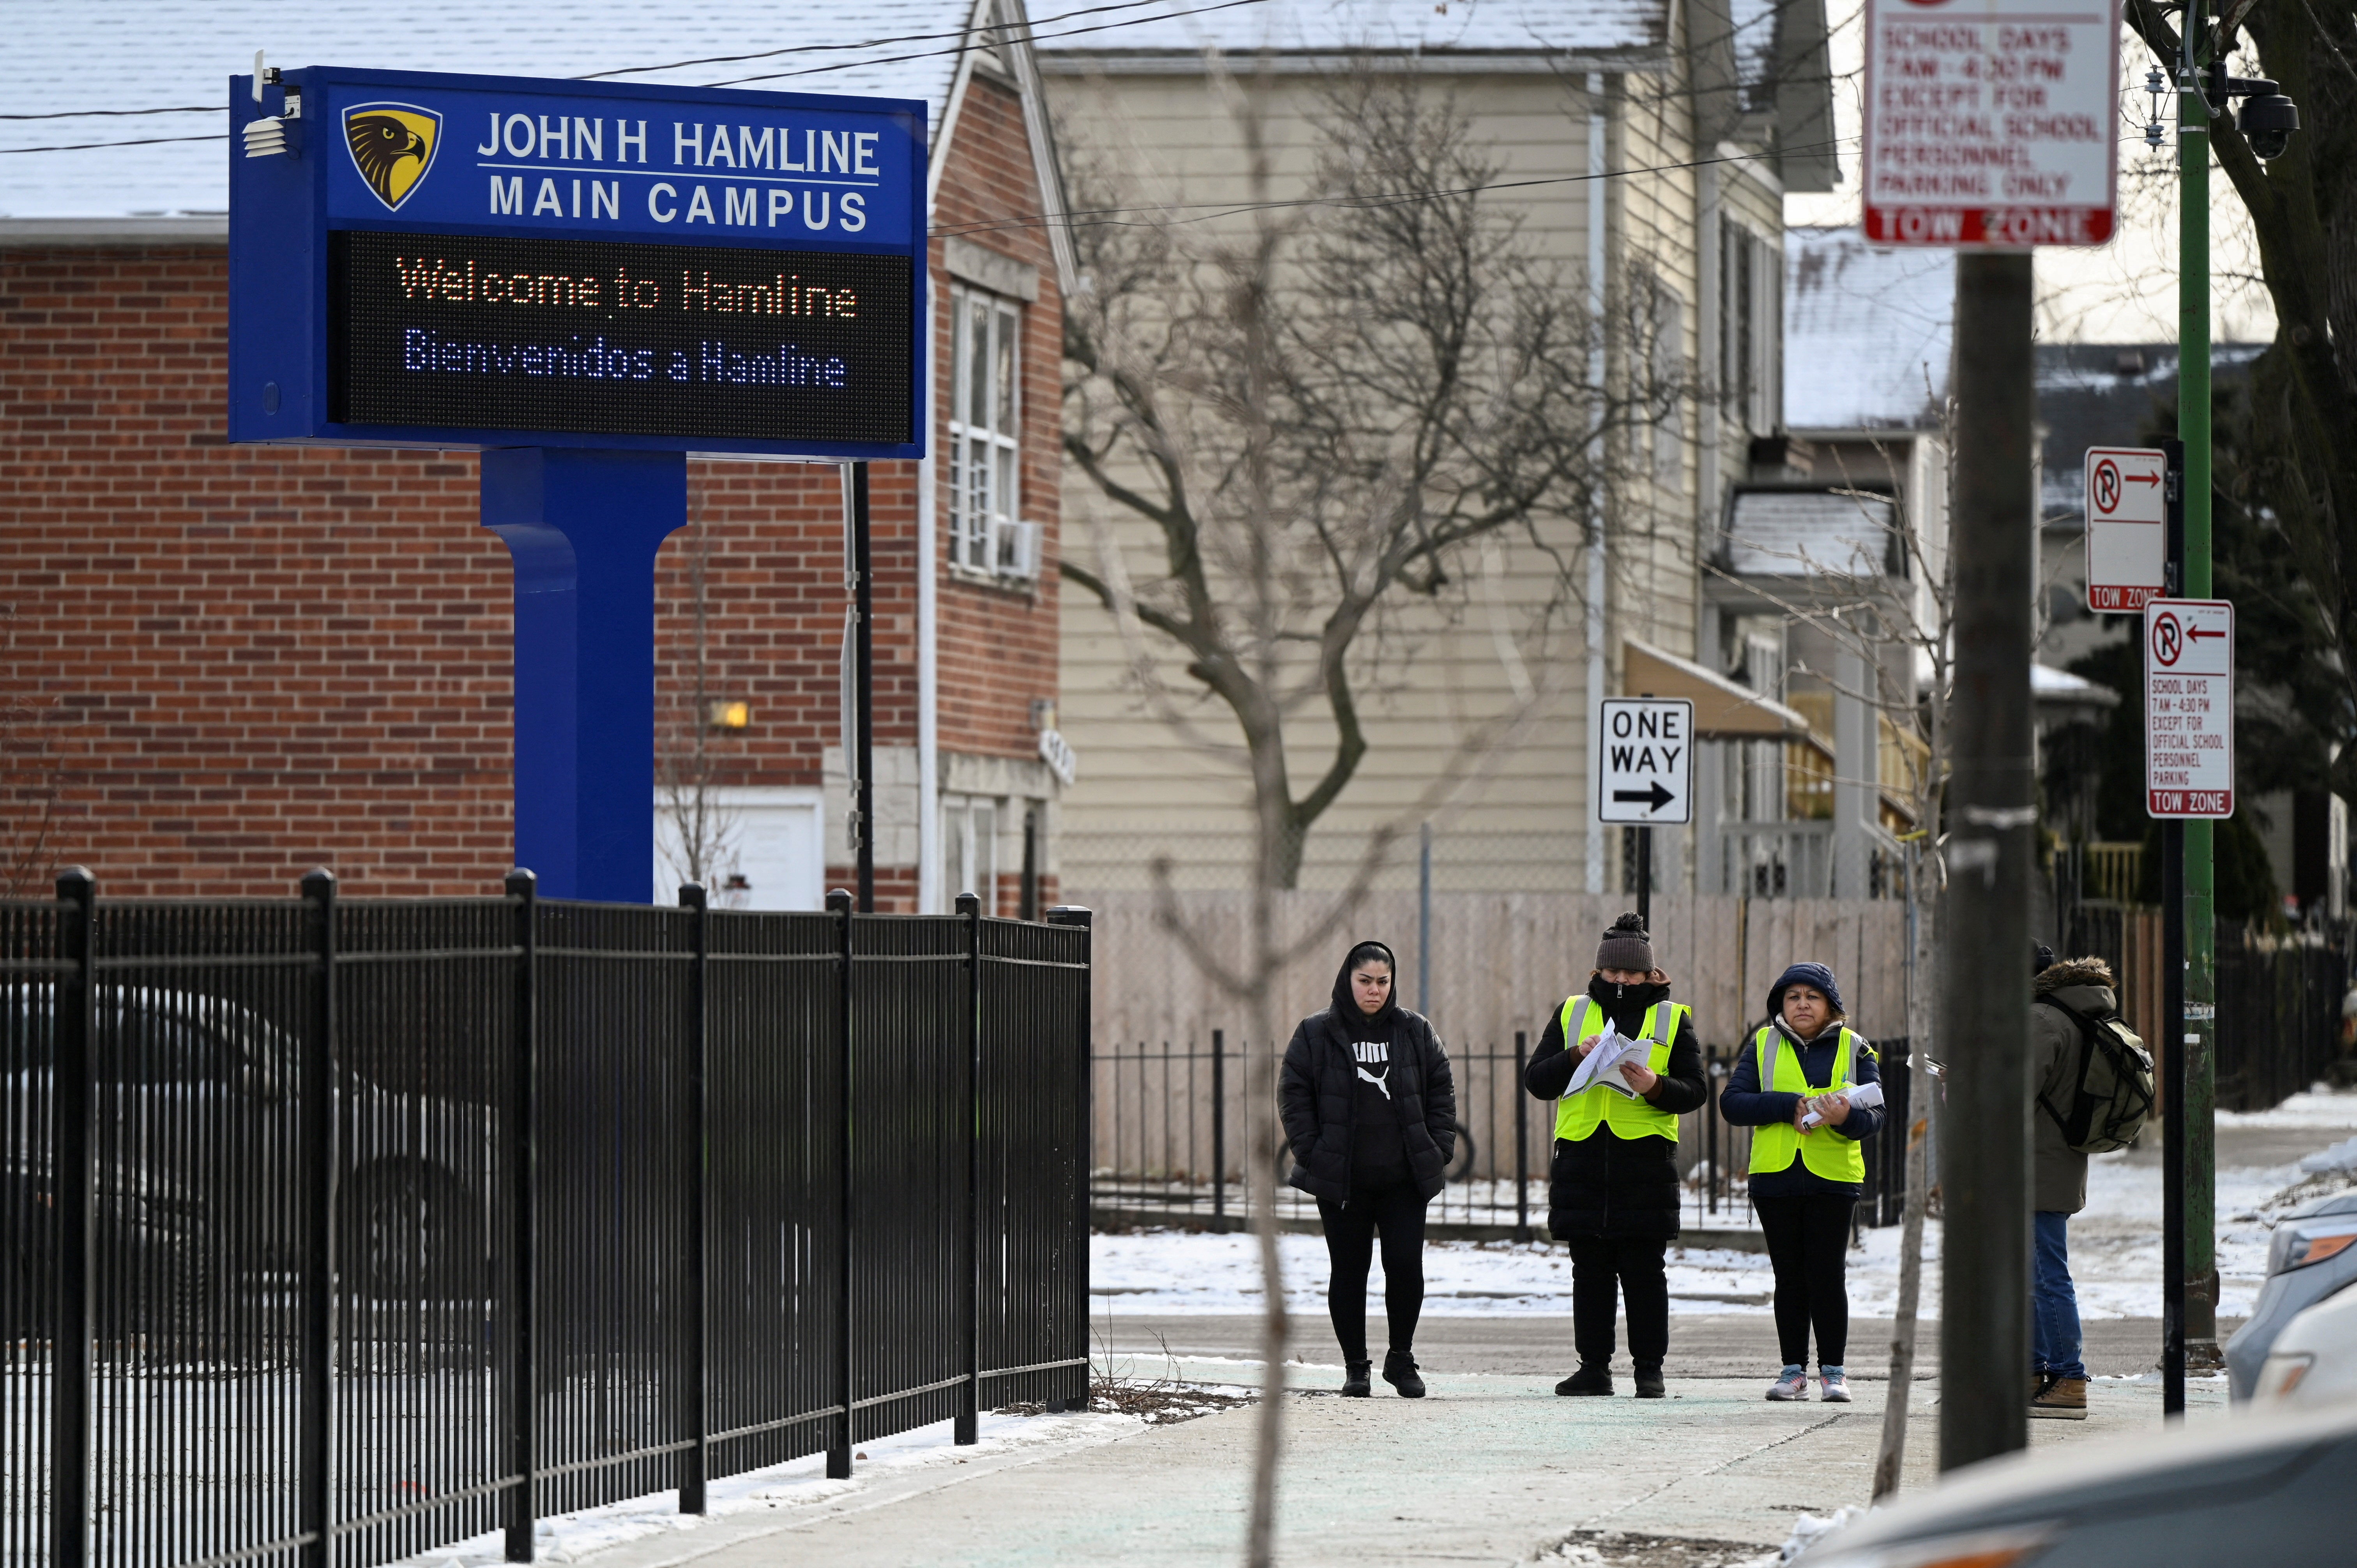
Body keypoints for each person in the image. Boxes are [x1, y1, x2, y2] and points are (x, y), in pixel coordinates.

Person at [1521, 913, 1707, 1399]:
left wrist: (1655, 1086)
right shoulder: (1571, 1012)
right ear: (1598, 971)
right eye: (1612, 972)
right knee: (1591, 1272)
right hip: (1582, 1160)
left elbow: (1696, 1091)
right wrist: (1572, 1059)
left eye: (1631, 972)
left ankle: (1649, 1369)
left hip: (1644, 1164)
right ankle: (1594, 1367)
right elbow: (1537, 1079)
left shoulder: (1672, 1018)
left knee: (1646, 1272)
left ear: (1650, 975)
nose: (1621, 980)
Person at [1279, 939, 1457, 1398]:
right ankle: (1355, 1367)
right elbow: (1294, 1095)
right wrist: (1313, 1153)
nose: (1374, 990)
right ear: (1348, 980)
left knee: (1404, 1267)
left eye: (1383, 981)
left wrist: (1437, 1150)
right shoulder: (1315, 1032)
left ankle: (1401, 1358)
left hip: (1404, 1180)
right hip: (1343, 1181)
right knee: (1349, 1271)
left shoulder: (1414, 1030)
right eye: (1365, 981)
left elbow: (1441, 1088)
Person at [1720, 961, 1883, 1403]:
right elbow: (1733, 1104)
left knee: (1827, 1275)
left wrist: (1845, 1116)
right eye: (1793, 997)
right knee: (1789, 1276)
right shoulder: (1762, 1044)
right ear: (1781, 1005)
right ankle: (1793, 1371)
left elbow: (1876, 1116)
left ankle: (1834, 1372)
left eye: (1812, 996)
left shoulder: (1856, 1047)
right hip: (1775, 1178)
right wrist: (1789, 1104)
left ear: (1830, 1005)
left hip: (1834, 1178)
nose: (1803, 1004)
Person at [2029, 947, 2113, 1420]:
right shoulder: (2074, 1011)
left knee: (2045, 1273)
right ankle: (2034, 1371)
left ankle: (2069, 1376)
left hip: (2038, 1162)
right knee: (2034, 1273)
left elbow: (2010, 1092)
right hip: (2055, 1159)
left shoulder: (2042, 1019)